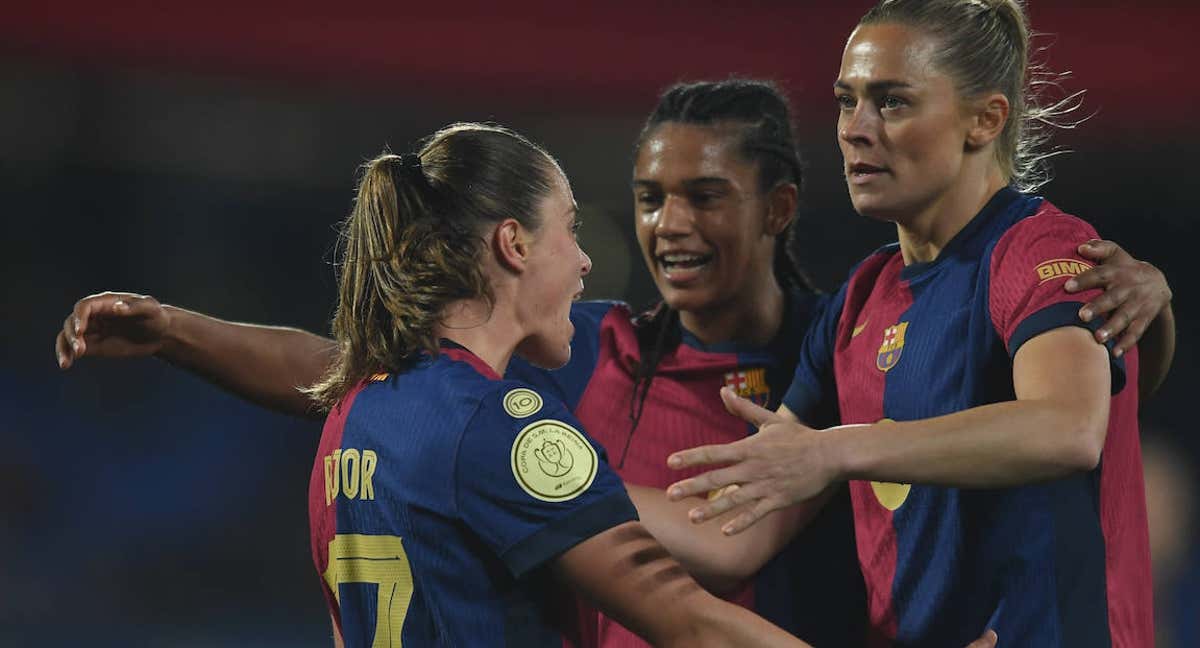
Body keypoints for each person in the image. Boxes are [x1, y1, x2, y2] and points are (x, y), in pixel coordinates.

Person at [54, 80, 1172, 647]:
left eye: (702, 197)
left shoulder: (844, 352)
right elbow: (677, 595)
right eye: (634, 203)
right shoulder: (550, 380)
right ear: (512, 248)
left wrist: (1148, 313)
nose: (651, 232)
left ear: (781, 209)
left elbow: (1049, 407)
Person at [666, 2, 1165, 646]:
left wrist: (836, 449)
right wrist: (551, 489)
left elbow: (1067, 428)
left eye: (893, 102)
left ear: (984, 120)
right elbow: (740, 532)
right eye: (848, 101)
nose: (854, 129)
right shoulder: (861, 300)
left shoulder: (1036, 249)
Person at [281, 121, 817, 647]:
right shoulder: (503, 423)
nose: (584, 261)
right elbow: (690, 624)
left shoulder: (353, 412)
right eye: (571, 227)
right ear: (513, 243)